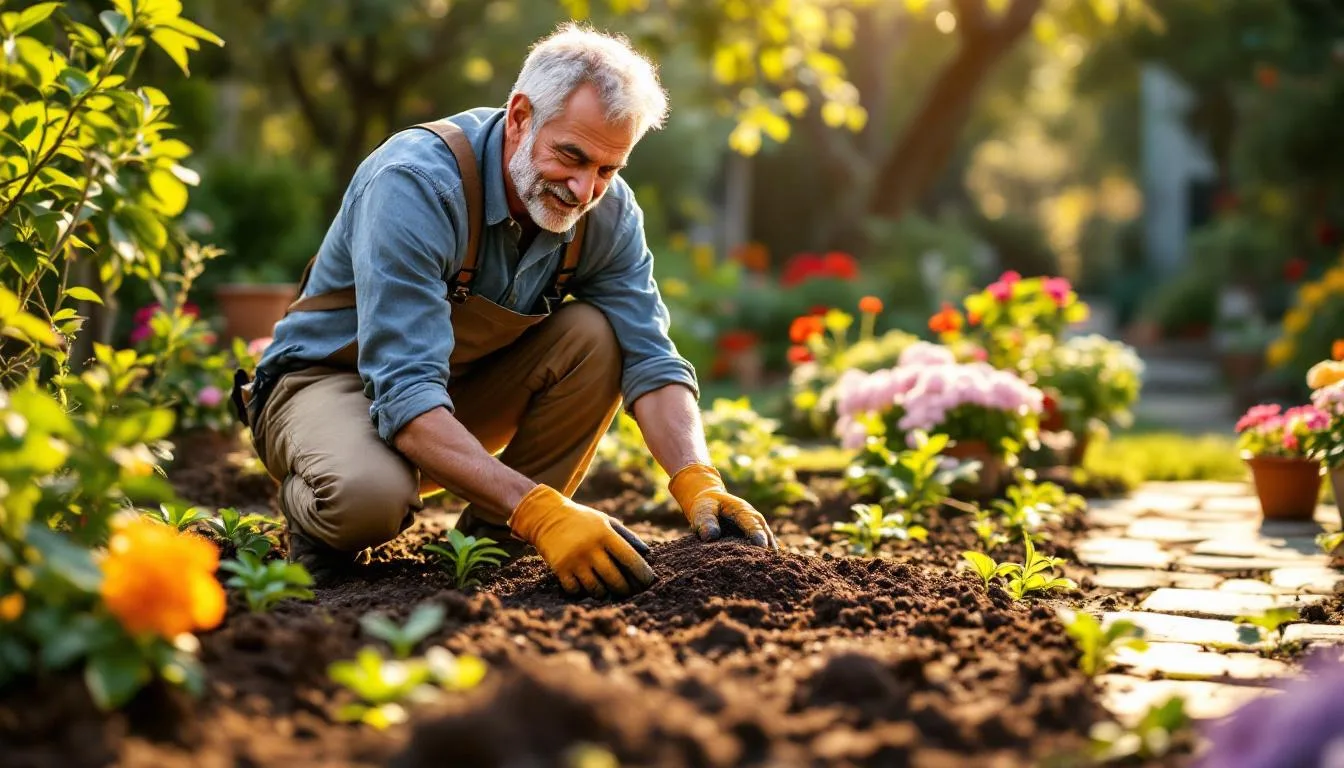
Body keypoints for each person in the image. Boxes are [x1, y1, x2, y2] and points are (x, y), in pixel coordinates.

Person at [234, 23, 778, 598]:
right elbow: (407, 392)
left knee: (599, 336)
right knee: (365, 502)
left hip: (452, 389)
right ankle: (317, 520)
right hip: (325, 382)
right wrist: (541, 508)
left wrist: (697, 478)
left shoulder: (607, 213)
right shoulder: (417, 184)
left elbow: (651, 355)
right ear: (520, 116)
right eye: (571, 155)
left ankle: (486, 547)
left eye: (607, 169)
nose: (583, 188)